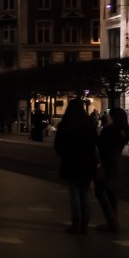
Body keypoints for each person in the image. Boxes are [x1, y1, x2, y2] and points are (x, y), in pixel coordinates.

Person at [54, 99, 99, 235]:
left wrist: (65, 155)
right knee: (85, 193)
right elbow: (95, 143)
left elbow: (58, 145)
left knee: (73, 192)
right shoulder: (88, 124)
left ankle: (75, 223)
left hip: (71, 161)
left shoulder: (65, 124)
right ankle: (85, 224)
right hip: (87, 162)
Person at [94, 108, 129, 233]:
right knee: (111, 192)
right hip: (116, 162)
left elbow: (102, 147)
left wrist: (101, 166)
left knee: (100, 191)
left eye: (110, 115)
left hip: (107, 163)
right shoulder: (125, 131)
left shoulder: (109, 130)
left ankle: (111, 221)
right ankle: (114, 220)